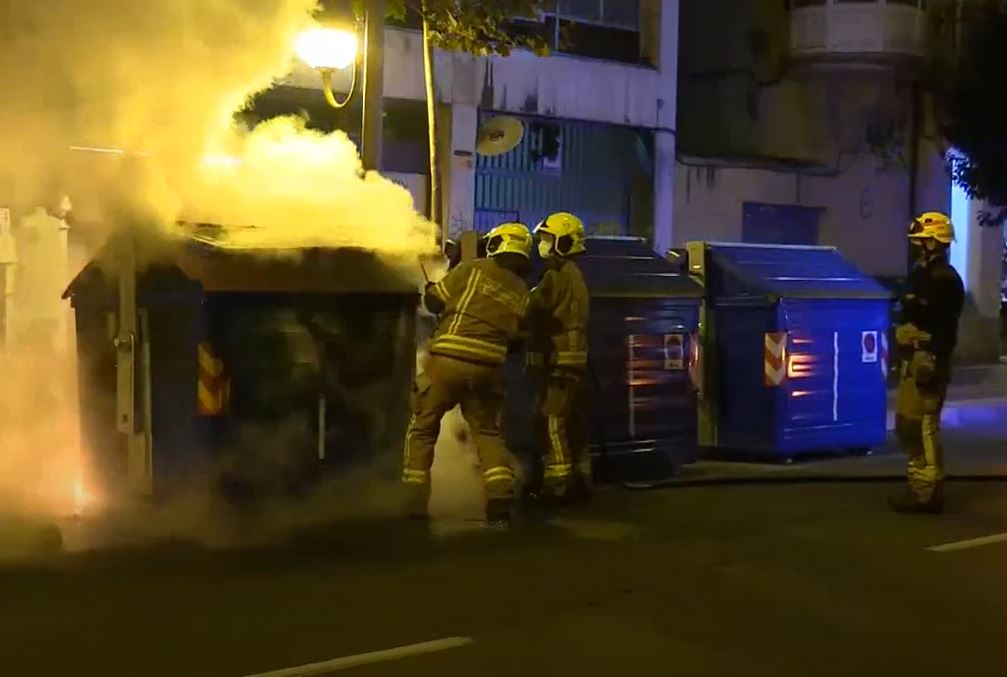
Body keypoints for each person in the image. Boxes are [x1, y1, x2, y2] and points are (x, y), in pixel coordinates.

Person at [402, 222, 532, 522]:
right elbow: (517, 340)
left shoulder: (474, 268)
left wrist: (432, 291)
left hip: (449, 361)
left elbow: (435, 302)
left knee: (423, 427)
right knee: (487, 433)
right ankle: (500, 496)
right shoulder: (523, 291)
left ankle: (414, 500)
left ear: (497, 243)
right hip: (489, 369)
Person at [890, 211, 965, 514]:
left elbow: (944, 328)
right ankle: (918, 485)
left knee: (923, 427)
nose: (916, 246)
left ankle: (928, 493)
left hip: (928, 359)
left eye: (920, 241)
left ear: (934, 243)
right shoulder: (920, 275)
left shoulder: (944, 281)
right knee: (907, 426)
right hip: (913, 359)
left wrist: (930, 358)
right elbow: (905, 307)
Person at [527, 212, 591, 502]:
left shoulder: (555, 276)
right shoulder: (576, 276)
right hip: (574, 363)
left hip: (559, 363)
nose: (542, 244)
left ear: (563, 243)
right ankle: (577, 478)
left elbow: (532, 306)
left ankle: (559, 483)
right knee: (571, 421)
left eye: (546, 239)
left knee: (551, 419)